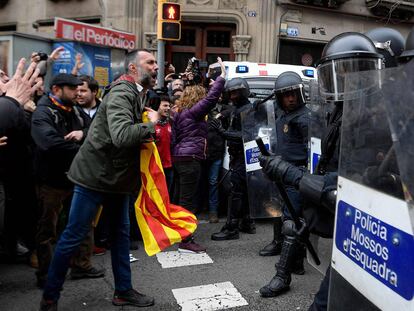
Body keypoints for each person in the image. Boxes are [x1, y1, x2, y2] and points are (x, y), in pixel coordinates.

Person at [258, 32, 384, 310]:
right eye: (337, 73)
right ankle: (285, 272)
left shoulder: (375, 117)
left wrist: (293, 174)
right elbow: (325, 155)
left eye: (353, 73)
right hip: (331, 194)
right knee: (293, 225)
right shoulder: (337, 110)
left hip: (364, 218)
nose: (345, 82)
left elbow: (354, 182)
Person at [39, 49, 159, 311]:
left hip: (115, 179)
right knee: (72, 236)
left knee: (120, 236)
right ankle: (50, 297)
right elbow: (121, 135)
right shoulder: (122, 92)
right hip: (94, 177)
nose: (156, 66)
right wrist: (152, 124)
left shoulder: (137, 93)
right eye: (150, 62)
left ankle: (123, 291)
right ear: (133, 69)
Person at [31, 73, 103, 288]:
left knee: (84, 222)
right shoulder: (43, 113)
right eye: (72, 89)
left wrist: (82, 133)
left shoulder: (75, 111)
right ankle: (46, 275)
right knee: (47, 229)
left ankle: (81, 265)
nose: (77, 93)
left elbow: (95, 131)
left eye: (80, 89)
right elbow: (50, 144)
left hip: (77, 177)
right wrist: (82, 149)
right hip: (51, 181)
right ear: (56, 90)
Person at [259, 71, 310, 297]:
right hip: (281, 173)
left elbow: (314, 153)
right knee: (286, 217)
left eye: (293, 94)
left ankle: (283, 276)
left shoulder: (306, 118)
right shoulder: (281, 116)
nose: (290, 98)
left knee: (291, 223)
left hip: (298, 175)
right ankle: (297, 263)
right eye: (285, 95)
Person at [171, 57, 226, 253]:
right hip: (190, 159)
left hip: (179, 158)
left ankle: (179, 234)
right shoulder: (193, 112)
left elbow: (175, 137)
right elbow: (211, 100)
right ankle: (186, 241)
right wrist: (222, 77)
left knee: (180, 198)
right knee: (187, 201)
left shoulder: (178, 111)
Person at [0, 59, 42, 262]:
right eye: (1, 76)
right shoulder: (7, 105)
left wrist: (26, 110)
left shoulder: (15, 107)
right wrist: (13, 101)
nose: (7, 78)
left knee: (21, 213)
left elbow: (29, 135)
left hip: (19, 171)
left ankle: (17, 246)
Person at [210, 78, 256, 241]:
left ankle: (232, 228)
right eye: (231, 92)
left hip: (243, 156)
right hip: (236, 155)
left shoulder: (247, 110)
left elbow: (248, 135)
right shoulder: (236, 109)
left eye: (236, 92)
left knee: (236, 191)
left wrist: (224, 133)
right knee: (241, 189)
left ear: (244, 91)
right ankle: (246, 222)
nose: (233, 95)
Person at [155, 95, 174, 195]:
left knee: (167, 196)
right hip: (155, 167)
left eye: (169, 106)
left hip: (169, 166)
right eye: (165, 105)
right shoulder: (150, 124)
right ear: (157, 106)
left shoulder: (171, 122)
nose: (168, 108)